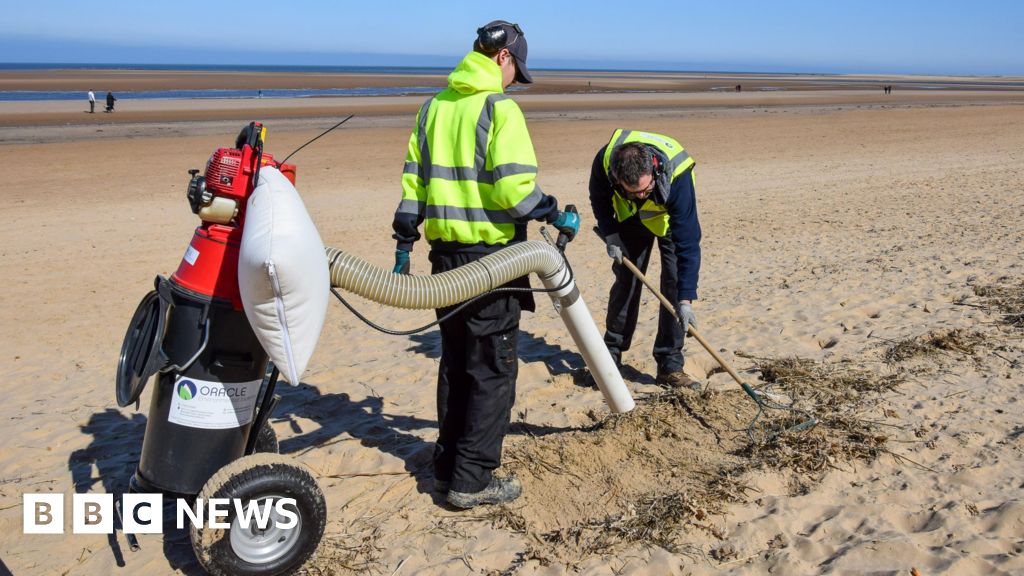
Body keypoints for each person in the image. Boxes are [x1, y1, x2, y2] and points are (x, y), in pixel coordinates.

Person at [390, 20, 580, 509]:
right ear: (503, 58)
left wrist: (404, 243)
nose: (516, 80)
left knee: (455, 361)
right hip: (491, 261)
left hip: (445, 260)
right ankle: (472, 480)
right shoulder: (500, 109)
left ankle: (446, 462)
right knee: (492, 368)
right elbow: (515, 193)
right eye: (517, 70)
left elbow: (413, 187)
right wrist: (553, 209)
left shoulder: (433, 108)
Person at [589, 130, 702, 389]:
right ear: (617, 178)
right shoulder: (605, 162)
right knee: (626, 283)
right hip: (630, 220)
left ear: (654, 169)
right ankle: (610, 357)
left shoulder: (678, 176)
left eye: (645, 189)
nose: (641, 195)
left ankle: (670, 365)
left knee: (673, 286)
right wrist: (611, 234)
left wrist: (686, 299)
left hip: (667, 221)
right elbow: (599, 198)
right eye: (633, 192)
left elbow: (688, 244)